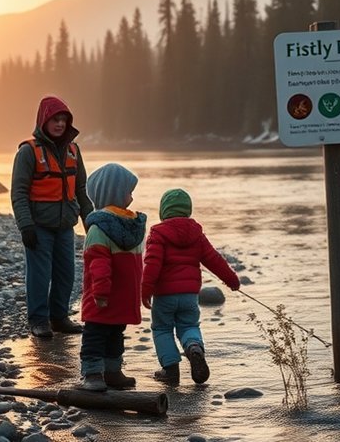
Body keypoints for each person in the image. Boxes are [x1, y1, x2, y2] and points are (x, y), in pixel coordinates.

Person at [11, 96, 94, 339]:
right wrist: (25, 225)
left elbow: (81, 189)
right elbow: (18, 192)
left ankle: (58, 317)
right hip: (38, 226)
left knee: (66, 272)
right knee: (39, 274)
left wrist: (90, 221)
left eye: (63, 120)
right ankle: (38, 320)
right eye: (55, 119)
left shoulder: (74, 150)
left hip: (65, 225)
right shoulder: (28, 152)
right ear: (43, 120)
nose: (59, 124)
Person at [141, 188, 241, 385]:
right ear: (188, 211)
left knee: (162, 329)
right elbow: (214, 259)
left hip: (165, 295)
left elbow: (152, 264)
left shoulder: (158, 233)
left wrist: (145, 291)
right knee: (189, 325)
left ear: (163, 211)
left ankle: (170, 371)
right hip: (189, 295)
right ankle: (194, 347)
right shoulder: (196, 234)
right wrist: (232, 281)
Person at [77, 163, 146, 392]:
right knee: (110, 335)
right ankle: (103, 372)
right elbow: (104, 265)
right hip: (118, 295)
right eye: (129, 191)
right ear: (115, 192)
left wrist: (101, 292)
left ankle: (102, 373)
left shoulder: (99, 227)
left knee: (101, 335)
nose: (132, 198)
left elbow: (99, 264)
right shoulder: (130, 226)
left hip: (105, 296)